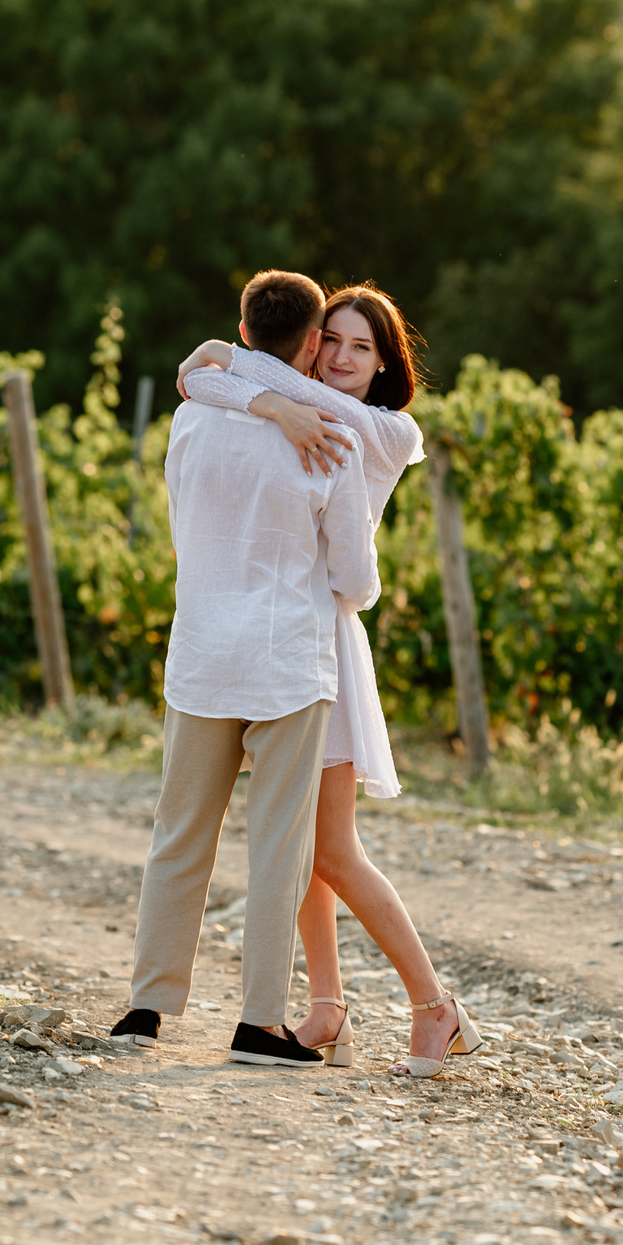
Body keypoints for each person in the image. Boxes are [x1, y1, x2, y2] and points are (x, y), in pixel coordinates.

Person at [173, 286, 483, 1079]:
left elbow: (206, 376)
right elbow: (197, 378)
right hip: (281, 631)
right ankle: (326, 1008)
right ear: (312, 343)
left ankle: (435, 1007)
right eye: (331, 342)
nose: (341, 359)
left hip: (322, 644)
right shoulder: (305, 407)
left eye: (361, 349)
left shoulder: (388, 429)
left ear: (386, 365)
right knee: (298, 849)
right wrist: (254, 391)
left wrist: (246, 378)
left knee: (332, 849)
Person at [110, 270, 380, 1068]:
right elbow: (355, 577)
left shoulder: (193, 416)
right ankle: (260, 1021)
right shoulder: (333, 432)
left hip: (199, 652)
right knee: (279, 846)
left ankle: (147, 1006)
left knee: (179, 833)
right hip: (287, 662)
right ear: (310, 343)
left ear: (242, 324)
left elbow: (200, 381)